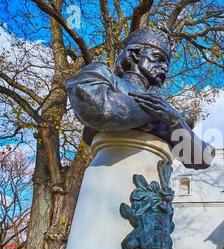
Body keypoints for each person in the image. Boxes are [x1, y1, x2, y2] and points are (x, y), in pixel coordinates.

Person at [67, 27, 214, 169]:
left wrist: (175, 120)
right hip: (108, 177)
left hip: (156, 188)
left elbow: (202, 159)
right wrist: (157, 116)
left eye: (166, 63)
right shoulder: (101, 74)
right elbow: (101, 110)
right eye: (158, 58)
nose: (165, 68)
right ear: (136, 54)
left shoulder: (165, 110)